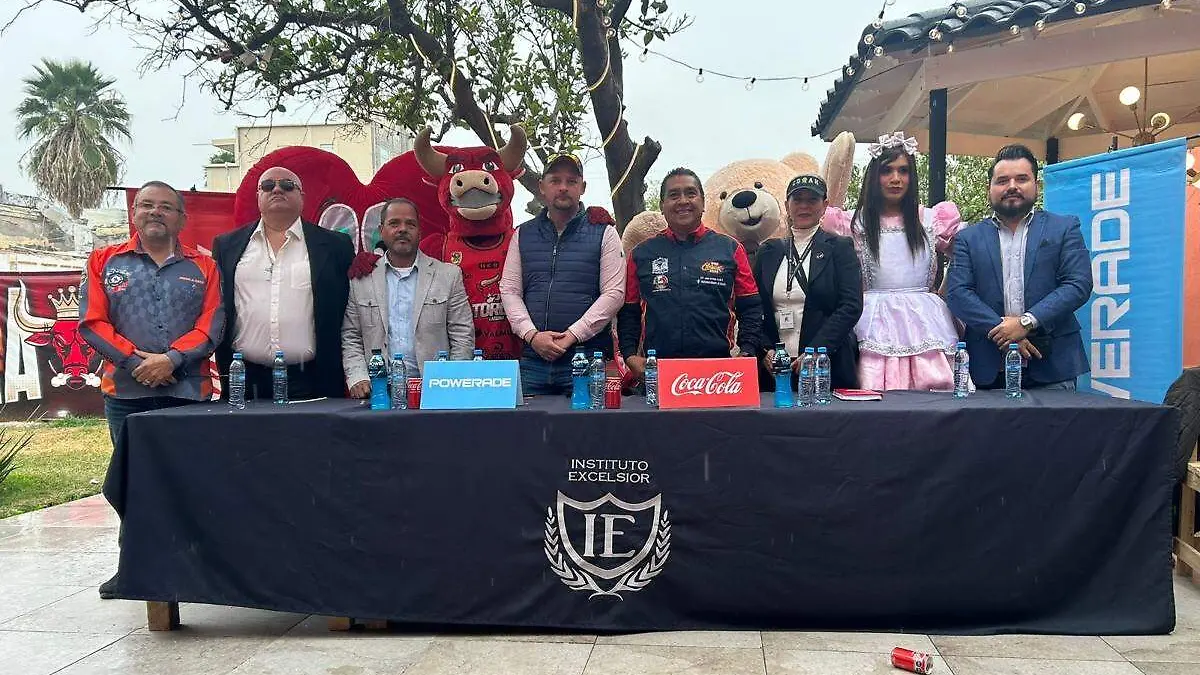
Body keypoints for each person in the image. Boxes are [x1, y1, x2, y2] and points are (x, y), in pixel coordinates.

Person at [79, 180, 224, 599]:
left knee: (189, 480)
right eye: (146, 205)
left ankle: (194, 567)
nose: (155, 212)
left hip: (188, 391)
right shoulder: (104, 261)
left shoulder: (205, 266)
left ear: (182, 218)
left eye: (165, 207)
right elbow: (93, 323)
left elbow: (213, 324)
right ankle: (134, 567)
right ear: (134, 213)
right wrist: (136, 363)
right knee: (130, 482)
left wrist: (171, 360)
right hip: (126, 393)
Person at [820, 133, 964, 391]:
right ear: (874, 176)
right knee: (873, 388)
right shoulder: (854, 223)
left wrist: (945, 293)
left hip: (926, 320)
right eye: (887, 171)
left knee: (935, 393)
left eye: (903, 171)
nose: (896, 178)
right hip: (870, 319)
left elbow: (965, 259)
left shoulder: (931, 220)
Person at [946, 144, 1093, 391]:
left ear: (1037, 185)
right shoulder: (967, 238)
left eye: (1022, 179)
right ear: (989, 188)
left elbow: (1078, 284)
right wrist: (1004, 331)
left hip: (1053, 364)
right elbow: (957, 293)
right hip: (987, 367)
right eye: (1002, 180)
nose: (1012, 186)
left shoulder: (1064, 228)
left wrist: (1025, 323)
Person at [213, 167, 355, 400]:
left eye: (287, 185)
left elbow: (350, 309)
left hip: (312, 379)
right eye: (268, 186)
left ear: (302, 197)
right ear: (258, 195)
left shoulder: (335, 245)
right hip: (245, 379)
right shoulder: (227, 245)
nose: (277, 189)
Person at [618, 168, 763, 378]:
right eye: (674, 195)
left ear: (703, 203)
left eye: (690, 193)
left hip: (717, 373)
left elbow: (751, 307)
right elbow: (629, 312)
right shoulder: (641, 254)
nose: (683, 201)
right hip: (657, 372)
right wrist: (630, 355)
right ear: (662, 206)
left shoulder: (731, 249)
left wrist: (747, 350)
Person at [500, 152, 625, 395]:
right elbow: (509, 290)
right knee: (525, 421)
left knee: (589, 421)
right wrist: (532, 335)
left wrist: (572, 335)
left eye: (571, 181)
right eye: (555, 180)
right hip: (532, 361)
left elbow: (614, 294)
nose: (563, 187)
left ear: (583, 188)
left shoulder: (605, 232)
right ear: (542, 187)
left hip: (588, 359)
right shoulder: (522, 234)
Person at [342, 198, 474, 395]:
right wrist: (358, 377)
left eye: (410, 224)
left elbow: (462, 333)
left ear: (419, 232)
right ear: (381, 230)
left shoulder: (448, 275)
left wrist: (451, 380)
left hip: (433, 390)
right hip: (378, 392)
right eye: (394, 223)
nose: (402, 229)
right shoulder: (362, 279)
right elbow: (351, 335)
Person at [753, 175, 863, 390]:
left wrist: (816, 351)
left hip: (826, 366)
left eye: (812, 200)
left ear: (824, 205)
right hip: (775, 369)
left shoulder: (840, 248)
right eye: (797, 199)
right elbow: (754, 306)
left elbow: (851, 306)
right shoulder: (768, 251)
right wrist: (765, 348)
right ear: (787, 205)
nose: (804, 206)